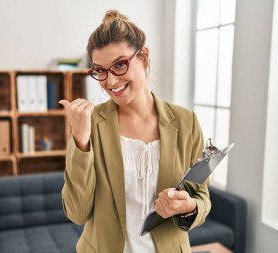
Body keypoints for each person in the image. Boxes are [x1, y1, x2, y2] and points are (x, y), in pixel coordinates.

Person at [59, 10, 211, 253]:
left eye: (120, 65)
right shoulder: (90, 125)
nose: (110, 81)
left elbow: (202, 196)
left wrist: (189, 206)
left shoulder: (186, 122)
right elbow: (77, 213)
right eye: (100, 70)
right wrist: (80, 141)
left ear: (144, 57)